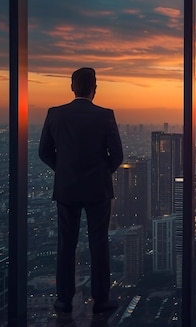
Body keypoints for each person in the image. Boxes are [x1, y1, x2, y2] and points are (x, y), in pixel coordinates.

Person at [39, 67, 123, 314]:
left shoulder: (55, 114)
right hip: (98, 190)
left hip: (67, 190)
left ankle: (63, 300)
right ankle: (101, 300)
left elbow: (44, 152)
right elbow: (117, 156)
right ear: (94, 89)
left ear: (72, 87)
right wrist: (99, 173)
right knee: (99, 244)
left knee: (66, 244)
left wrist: (64, 172)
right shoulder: (105, 115)